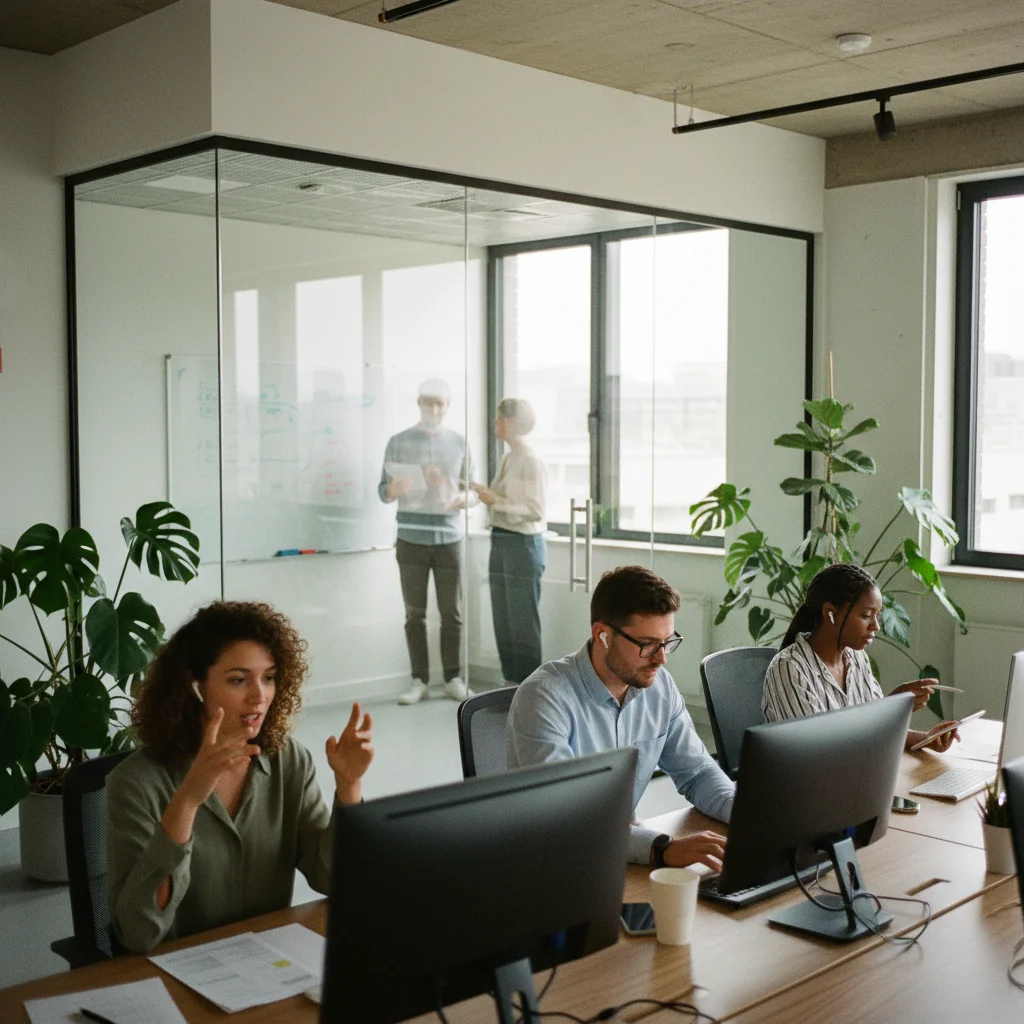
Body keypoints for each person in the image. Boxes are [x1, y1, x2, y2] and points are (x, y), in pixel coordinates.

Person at [107, 601, 374, 953]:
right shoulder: (135, 782)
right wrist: (187, 801)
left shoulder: (288, 760)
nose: (259, 696)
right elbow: (138, 933)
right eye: (238, 680)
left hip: (269, 963)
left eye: (269, 677)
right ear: (195, 686)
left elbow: (330, 878)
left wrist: (349, 786)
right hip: (178, 971)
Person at [508, 565, 733, 871]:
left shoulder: (659, 687)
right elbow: (569, 818)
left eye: (668, 642)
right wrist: (661, 849)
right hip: (550, 864)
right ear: (602, 635)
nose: (661, 658)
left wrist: (748, 816)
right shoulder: (544, 697)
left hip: (620, 856)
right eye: (647, 644)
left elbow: (697, 773)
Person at [762, 562, 960, 752]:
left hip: (850, 777)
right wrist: (889, 707)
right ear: (830, 613)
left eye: (877, 615)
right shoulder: (789, 669)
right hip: (806, 783)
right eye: (866, 615)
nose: (876, 626)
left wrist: (926, 739)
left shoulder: (857, 659)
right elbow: (821, 751)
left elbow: (874, 731)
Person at [379, 378, 475, 704]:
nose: (434, 409)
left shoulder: (461, 442)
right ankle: (418, 679)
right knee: (414, 614)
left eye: (440, 404)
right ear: (418, 403)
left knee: (452, 613)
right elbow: (383, 491)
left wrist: (459, 499)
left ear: (447, 407)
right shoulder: (398, 442)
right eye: (428, 403)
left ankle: (453, 678)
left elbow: (472, 491)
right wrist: (398, 489)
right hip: (411, 537)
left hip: (449, 536)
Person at [471, 397, 547, 685]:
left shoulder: (530, 461)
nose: (495, 424)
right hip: (501, 538)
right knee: (502, 619)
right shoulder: (508, 457)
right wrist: (489, 496)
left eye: (500, 418)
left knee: (522, 623)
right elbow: (505, 500)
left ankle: (528, 689)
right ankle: (510, 684)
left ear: (514, 422)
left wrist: (496, 501)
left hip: (523, 543)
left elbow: (535, 510)